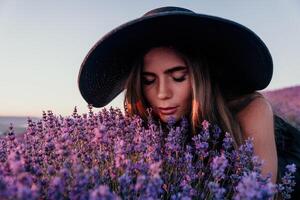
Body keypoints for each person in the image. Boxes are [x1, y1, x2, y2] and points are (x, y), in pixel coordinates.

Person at [78, 6, 300, 198]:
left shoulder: (250, 109)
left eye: (178, 77)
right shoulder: (143, 128)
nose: (163, 93)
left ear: (199, 77)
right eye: (149, 80)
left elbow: (264, 193)